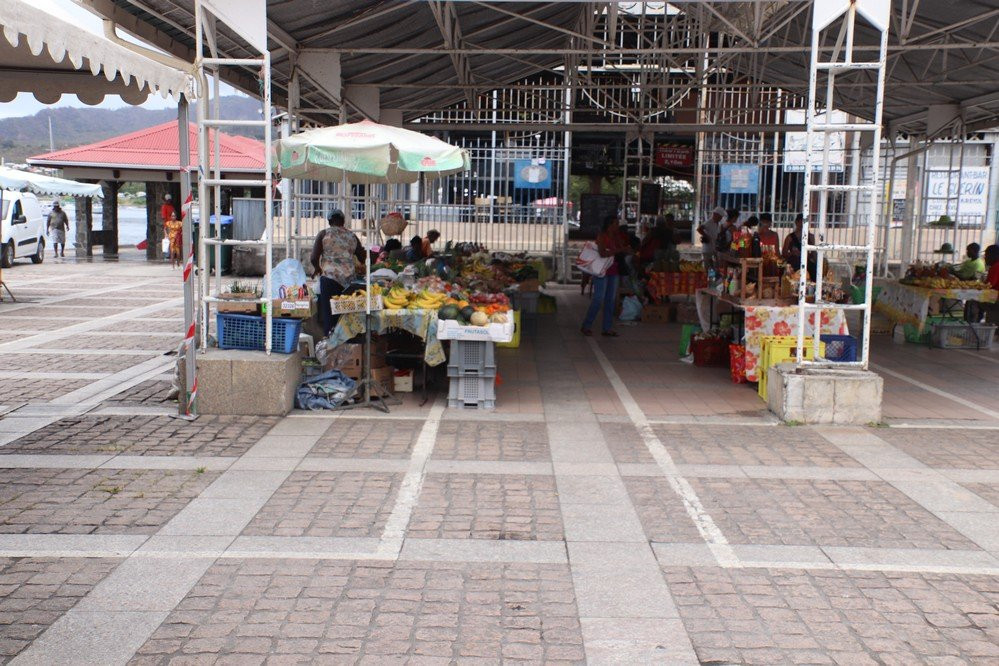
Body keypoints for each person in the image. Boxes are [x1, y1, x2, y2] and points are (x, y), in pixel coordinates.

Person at [310, 209, 366, 335]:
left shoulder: (324, 234)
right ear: (343, 221)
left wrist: (317, 268)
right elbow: (362, 257)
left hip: (330, 278)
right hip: (349, 282)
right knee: (347, 314)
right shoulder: (352, 236)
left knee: (330, 314)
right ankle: (349, 341)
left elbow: (314, 258)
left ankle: (330, 341)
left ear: (329, 221)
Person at [581, 215, 628, 338]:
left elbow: (620, 248)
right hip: (601, 270)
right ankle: (587, 325)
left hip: (613, 270)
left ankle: (606, 328)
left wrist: (621, 247)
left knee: (610, 300)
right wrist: (619, 250)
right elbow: (602, 253)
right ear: (610, 225)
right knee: (598, 298)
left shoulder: (616, 237)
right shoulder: (602, 236)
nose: (618, 226)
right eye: (616, 224)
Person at [698, 206, 725, 272]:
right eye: (720, 217)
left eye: (721, 217)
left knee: (714, 268)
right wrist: (706, 236)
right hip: (707, 249)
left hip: (713, 248)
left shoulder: (717, 224)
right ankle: (705, 280)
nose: (720, 219)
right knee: (706, 268)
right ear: (716, 215)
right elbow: (699, 229)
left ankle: (711, 280)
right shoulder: (709, 222)